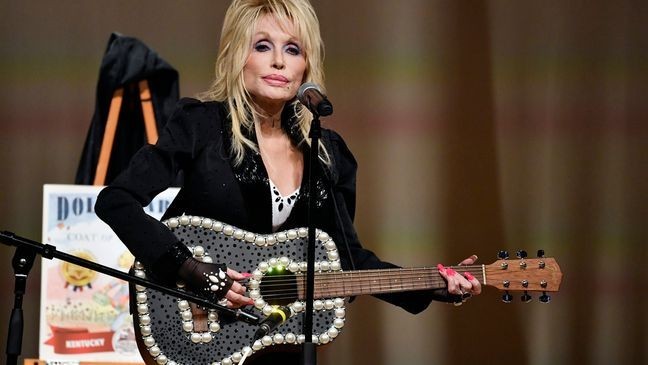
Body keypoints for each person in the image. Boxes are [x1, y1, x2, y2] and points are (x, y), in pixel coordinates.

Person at [95, 0, 481, 363]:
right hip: (195, 320)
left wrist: (431, 284)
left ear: (306, 66)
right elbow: (116, 200)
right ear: (237, 55)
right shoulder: (201, 126)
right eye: (262, 46)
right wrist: (191, 270)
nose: (279, 61)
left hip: (279, 337)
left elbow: (346, 259)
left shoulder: (329, 154)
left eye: (293, 49)